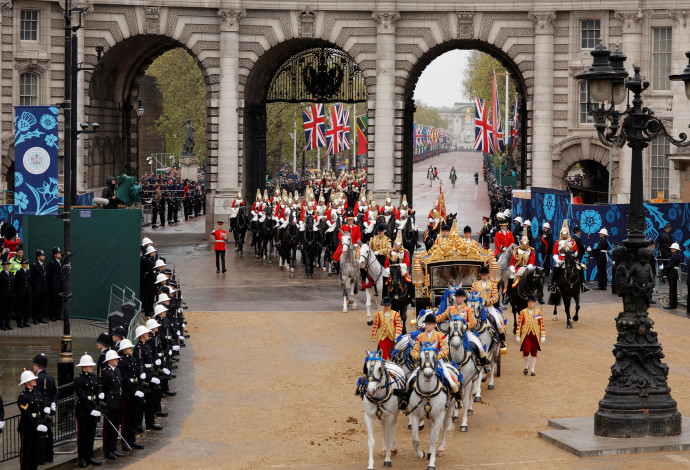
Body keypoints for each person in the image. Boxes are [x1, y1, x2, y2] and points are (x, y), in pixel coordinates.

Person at [436, 289, 491, 373]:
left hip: (466, 332)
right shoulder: (450, 309)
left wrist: (466, 326)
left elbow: (473, 321)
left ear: (464, 298)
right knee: (442, 346)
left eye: (459, 297)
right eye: (456, 297)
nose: (457, 299)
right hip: (452, 334)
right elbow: (441, 317)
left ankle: (484, 364)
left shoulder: (468, 309)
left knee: (478, 345)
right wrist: (432, 321)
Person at [73, 354, 103, 468]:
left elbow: (97, 388)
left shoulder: (94, 377)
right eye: (89, 366)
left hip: (93, 408)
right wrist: (90, 410)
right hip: (83, 411)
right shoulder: (79, 379)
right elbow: (82, 397)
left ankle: (90, 456)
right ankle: (82, 458)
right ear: (84, 367)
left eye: (91, 366)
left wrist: (99, 394)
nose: (91, 367)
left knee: (91, 434)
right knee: (83, 435)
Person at [117, 339, 145, 451]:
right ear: (123, 350)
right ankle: (125, 441)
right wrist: (134, 391)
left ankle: (132, 440)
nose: (130, 349)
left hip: (135, 389)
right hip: (128, 393)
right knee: (126, 418)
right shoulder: (122, 361)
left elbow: (136, 373)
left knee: (134, 417)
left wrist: (139, 386)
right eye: (128, 348)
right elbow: (125, 379)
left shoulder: (133, 359)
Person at [471, 266, 507, 350]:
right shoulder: (475, 285)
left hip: (489, 307)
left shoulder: (493, 285)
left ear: (488, 275)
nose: (484, 276)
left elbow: (495, 297)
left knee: (498, 322)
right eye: (482, 275)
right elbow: (472, 296)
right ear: (480, 275)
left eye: (485, 275)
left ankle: (502, 341)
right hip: (478, 308)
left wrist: (486, 302)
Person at [17, 369, 46, 470]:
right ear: (26, 382)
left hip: (37, 426)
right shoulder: (23, 397)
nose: (35, 380)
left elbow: (40, 409)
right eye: (32, 379)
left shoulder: (37, 393)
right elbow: (27, 414)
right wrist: (36, 425)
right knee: (26, 453)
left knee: (35, 453)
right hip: (27, 428)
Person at [100, 349, 124, 460]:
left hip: (118, 399)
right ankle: (107, 450)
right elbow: (103, 387)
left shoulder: (117, 371)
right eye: (115, 359)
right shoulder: (105, 372)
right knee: (108, 428)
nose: (117, 360)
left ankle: (114, 448)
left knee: (115, 426)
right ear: (110, 360)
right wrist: (104, 402)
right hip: (110, 400)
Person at [33, 353, 57, 464]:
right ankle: (50, 456)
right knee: (49, 433)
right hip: (49, 411)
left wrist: (44, 407)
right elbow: (55, 395)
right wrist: (52, 406)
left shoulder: (37, 379)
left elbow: (38, 397)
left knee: (41, 435)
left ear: (38, 366)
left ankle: (41, 459)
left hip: (41, 411)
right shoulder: (51, 378)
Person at [516, 294, 545, 376]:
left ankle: (532, 369)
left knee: (534, 352)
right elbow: (519, 324)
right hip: (526, 335)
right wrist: (518, 335)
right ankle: (526, 365)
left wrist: (543, 335)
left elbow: (541, 324)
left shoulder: (539, 312)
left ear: (535, 303)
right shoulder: (523, 312)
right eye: (529, 302)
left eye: (532, 302)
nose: (530, 304)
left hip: (535, 335)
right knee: (526, 351)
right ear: (527, 303)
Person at [549, 220, 578, 293]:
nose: (564, 235)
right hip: (561, 259)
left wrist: (574, 255)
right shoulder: (558, 242)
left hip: (571, 258)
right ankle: (553, 285)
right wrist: (558, 260)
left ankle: (583, 285)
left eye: (565, 234)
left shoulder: (572, 241)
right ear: (561, 234)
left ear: (568, 233)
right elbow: (555, 253)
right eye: (563, 234)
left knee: (579, 268)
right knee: (556, 269)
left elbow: (576, 250)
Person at [30, 250, 49, 325]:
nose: (43, 256)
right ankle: (35, 318)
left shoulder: (44, 265)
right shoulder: (34, 265)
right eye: (41, 255)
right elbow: (31, 277)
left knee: (42, 303)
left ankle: (41, 317)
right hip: (37, 288)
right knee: (36, 303)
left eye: (43, 255)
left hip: (44, 288)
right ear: (38, 257)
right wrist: (35, 287)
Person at [663, 242, 682, 310]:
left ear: (675, 249)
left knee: (672, 290)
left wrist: (664, 268)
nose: (671, 249)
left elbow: (671, 265)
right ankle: (673, 303)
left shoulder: (675, 256)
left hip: (672, 274)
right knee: (673, 290)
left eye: (672, 248)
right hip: (673, 273)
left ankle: (672, 304)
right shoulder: (674, 255)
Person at [46, 247, 63, 322]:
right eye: (58, 253)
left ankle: (58, 315)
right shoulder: (52, 263)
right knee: (53, 301)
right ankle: (52, 316)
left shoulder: (62, 262)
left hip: (60, 285)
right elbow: (48, 274)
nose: (60, 254)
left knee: (59, 301)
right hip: (54, 285)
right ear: (55, 255)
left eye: (60, 253)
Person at [571, 226, 590, 293]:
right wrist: (584, 252)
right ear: (578, 232)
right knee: (580, 269)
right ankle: (583, 284)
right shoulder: (577, 239)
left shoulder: (572, 238)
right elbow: (581, 247)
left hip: (571, 256)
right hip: (577, 256)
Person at [15, 258, 32, 328]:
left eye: (26, 264)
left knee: (26, 307)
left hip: (27, 292)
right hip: (21, 292)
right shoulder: (19, 272)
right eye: (24, 264)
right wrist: (17, 291)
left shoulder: (28, 271)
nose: (25, 265)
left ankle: (26, 321)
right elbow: (16, 282)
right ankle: (19, 322)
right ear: (22, 264)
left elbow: (30, 281)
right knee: (20, 308)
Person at [0, 259, 14, 330]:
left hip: (10, 295)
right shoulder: (1, 274)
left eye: (8, 265)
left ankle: (8, 324)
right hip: (2, 295)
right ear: (3, 266)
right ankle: (2, 324)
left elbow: (13, 284)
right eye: (6, 265)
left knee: (8, 310)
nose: (8, 266)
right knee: (2, 310)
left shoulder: (11, 274)